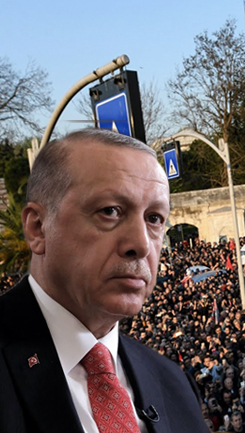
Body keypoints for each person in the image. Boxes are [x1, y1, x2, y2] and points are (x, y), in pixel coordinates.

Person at [0, 129, 208, 432]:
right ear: (38, 228)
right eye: (110, 211)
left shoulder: (173, 383)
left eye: (154, 219)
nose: (141, 243)